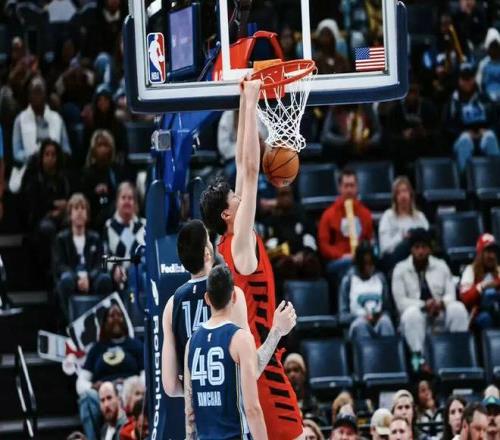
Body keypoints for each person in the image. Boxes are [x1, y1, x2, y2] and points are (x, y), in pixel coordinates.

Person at [200, 79, 303, 439]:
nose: (239, 195)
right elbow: (250, 169)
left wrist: (246, 100)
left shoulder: (230, 245)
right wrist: (254, 94)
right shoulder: (240, 244)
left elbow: (243, 168)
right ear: (227, 215)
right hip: (264, 371)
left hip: (262, 370)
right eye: (233, 197)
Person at [161, 220, 296, 397]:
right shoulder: (231, 294)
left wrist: (199, 392)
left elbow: (170, 386)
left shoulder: (171, 305)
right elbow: (252, 370)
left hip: (196, 410)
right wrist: (277, 330)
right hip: (230, 408)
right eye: (209, 240)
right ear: (207, 253)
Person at [183, 265, 268, 440]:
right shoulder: (241, 339)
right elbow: (252, 409)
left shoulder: (191, 342)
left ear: (207, 298)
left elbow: (189, 411)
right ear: (234, 296)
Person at [392, 228, 469, 372]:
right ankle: (420, 361)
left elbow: (451, 294)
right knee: (411, 314)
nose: (420, 251)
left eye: (424, 247)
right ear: (411, 249)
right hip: (416, 317)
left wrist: (441, 303)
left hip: (439, 313)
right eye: (417, 247)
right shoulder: (400, 269)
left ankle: (458, 356)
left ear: (430, 249)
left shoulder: (441, 266)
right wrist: (424, 305)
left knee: (457, 308)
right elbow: (400, 302)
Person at [77, 305, 144, 440]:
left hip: (128, 391)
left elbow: (146, 375)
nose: (116, 319)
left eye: (119, 315)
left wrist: (132, 386)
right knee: (86, 398)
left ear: (125, 320)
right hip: (103, 393)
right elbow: (81, 382)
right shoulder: (96, 349)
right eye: (111, 316)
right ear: (104, 322)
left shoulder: (136, 345)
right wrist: (94, 387)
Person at [53, 193, 112, 321]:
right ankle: (70, 322)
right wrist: (77, 279)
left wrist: (89, 278)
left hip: (92, 279)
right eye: (76, 208)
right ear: (70, 214)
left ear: (87, 214)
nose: (79, 212)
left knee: (105, 279)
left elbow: (101, 263)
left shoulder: (95, 238)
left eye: (83, 208)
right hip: (72, 279)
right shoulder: (61, 239)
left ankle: (101, 321)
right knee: (65, 281)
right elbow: (59, 265)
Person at [318, 168, 374, 287]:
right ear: (340, 188)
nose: (349, 190)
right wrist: (342, 255)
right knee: (350, 268)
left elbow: (369, 241)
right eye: (346, 186)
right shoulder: (328, 215)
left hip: (361, 261)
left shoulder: (365, 214)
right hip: (338, 262)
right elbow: (323, 246)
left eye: (352, 186)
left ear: (357, 187)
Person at [445, 62, 499, 174]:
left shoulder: (484, 98)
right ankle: (465, 180)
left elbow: (496, 120)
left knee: (490, 137)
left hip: (483, 136)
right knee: (465, 140)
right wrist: (463, 132)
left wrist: (487, 130)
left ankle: (497, 178)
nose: (467, 82)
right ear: (458, 80)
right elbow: (447, 126)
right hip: (461, 138)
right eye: (464, 79)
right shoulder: (453, 101)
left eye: (470, 78)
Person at [11, 76, 71, 169]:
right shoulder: (20, 119)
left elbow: (66, 149)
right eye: (34, 92)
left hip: (54, 168)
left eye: (39, 92)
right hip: (29, 168)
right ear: (29, 96)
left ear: (45, 95)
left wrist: (55, 157)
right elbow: (17, 153)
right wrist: (34, 158)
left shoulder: (57, 118)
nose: (36, 96)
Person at [339, 241, 395, 339]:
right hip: (356, 322)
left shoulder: (380, 278)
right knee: (361, 325)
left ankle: (388, 349)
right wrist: (362, 317)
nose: (368, 268)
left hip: (378, 321)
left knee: (385, 322)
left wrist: (380, 315)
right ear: (358, 264)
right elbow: (342, 317)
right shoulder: (348, 280)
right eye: (364, 264)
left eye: (370, 264)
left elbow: (388, 310)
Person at [378, 177, 429, 271]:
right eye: (399, 193)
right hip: (395, 259)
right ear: (395, 197)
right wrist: (402, 237)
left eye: (405, 191)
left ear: (410, 194)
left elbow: (427, 241)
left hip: (419, 258)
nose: (403, 195)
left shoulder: (420, 217)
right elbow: (385, 248)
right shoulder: (388, 216)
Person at [103, 182, 145, 291]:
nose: (127, 201)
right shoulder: (109, 226)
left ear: (135, 203)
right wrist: (114, 268)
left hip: (139, 275)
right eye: (123, 198)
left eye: (130, 198)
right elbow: (105, 254)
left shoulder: (143, 226)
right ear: (117, 202)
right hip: (116, 278)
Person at [82, 130, 125, 230]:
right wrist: (94, 192)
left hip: (114, 212)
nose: (103, 149)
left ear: (111, 149)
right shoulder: (87, 172)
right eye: (99, 145)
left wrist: (109, 190)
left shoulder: (117, 170)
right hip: (93, 212)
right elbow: (83, 196)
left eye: (106, 145)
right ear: (93, 149)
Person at [459, 233, 500, 329]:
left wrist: (496, 283)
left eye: (494, 252)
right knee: (486, 316)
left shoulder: (498, 270)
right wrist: (482, 286)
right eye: (488, 252)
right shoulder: (470, 270)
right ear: (480, 253)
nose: (492, 256)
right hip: (478, 315)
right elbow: (465, 298)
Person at [283, 353, 320, 419]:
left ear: (303, 374)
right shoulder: (282, 403)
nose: (292, 375)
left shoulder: (312, 402)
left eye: (296, 370)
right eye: (288, 371)